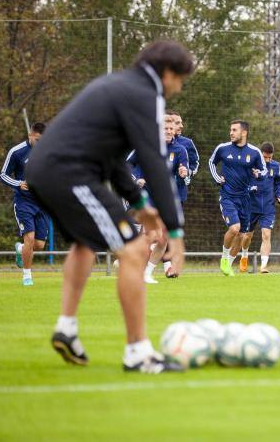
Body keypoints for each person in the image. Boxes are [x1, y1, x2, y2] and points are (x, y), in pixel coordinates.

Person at [25, 39, 192, 373]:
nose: (179, 87)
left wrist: (141, 201)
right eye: (180, 79)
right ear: (167, 72)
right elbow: (154, 160)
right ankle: (138, 354)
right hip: (69, 174)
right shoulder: (146, 95)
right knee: (132, 249)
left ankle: (67, 329)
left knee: (85, 244)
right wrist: (174, 229)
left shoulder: (118, 84)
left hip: (44, 170)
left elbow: (114, 159)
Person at [126, 117, 189, 283]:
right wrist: (136, 179)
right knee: (151, 235)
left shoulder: (180, 150)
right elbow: (128, 164)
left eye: (171, 129)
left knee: (163, 239)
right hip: (147, 196)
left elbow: (185, 171)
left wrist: (184, 172)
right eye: (165, 128)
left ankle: (147, 273)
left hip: (166, 198)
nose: (168, 131)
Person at [209, 121, 266, 276]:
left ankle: (229, 264)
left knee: (242, 235)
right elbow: (211, 163)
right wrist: (217, 178)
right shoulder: (223, 148)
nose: (231, 133)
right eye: (230, 130)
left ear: (244, 132)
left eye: (234, 130)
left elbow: (264, 170)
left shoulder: (254, 152)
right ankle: (224, 258)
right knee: (234, 228)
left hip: (245, 199)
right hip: (227, 196)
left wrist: (258, 174)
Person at [0, 122, 50, 286]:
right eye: (37, 140)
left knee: (39, 245)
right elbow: (3, 175)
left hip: (41, 202)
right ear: (30, 135)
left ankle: (20, 249)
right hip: (24, 202)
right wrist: (18, 183)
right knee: (29, 238)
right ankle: (27, 276)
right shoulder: (17, 152)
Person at [240, 142, 280, 274]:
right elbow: (243, 183)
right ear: (260, 154)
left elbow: (278, 182)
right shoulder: (251, 165)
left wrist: (279, 195)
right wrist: (250, 188)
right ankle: (244, 256)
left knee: (266, 234)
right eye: (265, 157)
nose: (267, 160)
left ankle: (263, 266)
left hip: (268, 208)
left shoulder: (275, 166)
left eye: (270, 157)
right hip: (251, 207)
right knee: (248, 236)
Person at [167, 110, 199, 187]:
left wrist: (187, 172)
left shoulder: (187, 143)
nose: (181, 126)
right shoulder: (155, 142)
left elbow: (195, 163)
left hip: (179, 190)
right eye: (177, 123)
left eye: (181, 123)